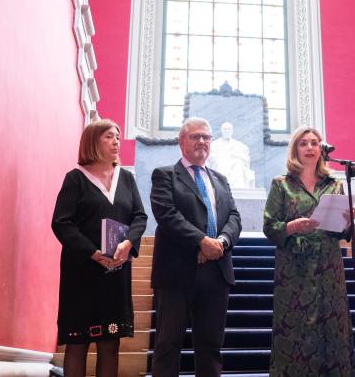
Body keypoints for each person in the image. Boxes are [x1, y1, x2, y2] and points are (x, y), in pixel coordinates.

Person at [51, 119, 148, 377]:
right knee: (77, 343)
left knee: (110, 343)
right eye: (109, 137)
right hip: (81, 271)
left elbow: (140, 216)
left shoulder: (126, 178)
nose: (116, 141)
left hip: (115, 272)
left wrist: (129, 243)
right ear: (93, 141)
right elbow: (62, 223)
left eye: (117, 137)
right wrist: (92, 252)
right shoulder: (76, 179)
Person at [149, 117, 243, 376]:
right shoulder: (165, 175)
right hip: (176, 273)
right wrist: (201, 241)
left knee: (211, 347)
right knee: (168, 345)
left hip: (216, 272)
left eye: (206, 137)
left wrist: (220, 243)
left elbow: (234, 217)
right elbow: (167, 215)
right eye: (195, 136)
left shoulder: (221, 179)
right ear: (181, 142)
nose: (202, 141)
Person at [263, 126, 355, 377]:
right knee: (297, 328)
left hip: (329, 266)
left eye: (315, 143)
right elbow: (269, 227)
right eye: (304, 143)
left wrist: (348, 222)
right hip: (295, 268)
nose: (310, 148)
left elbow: (342, 232)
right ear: (295, 149)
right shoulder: (281, 184)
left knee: (332, 326)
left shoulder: (334, 184)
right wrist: (291, 226)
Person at [208, 121, 256, 188]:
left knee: (238, 163)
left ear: (232, 131)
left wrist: (236, 156)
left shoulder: (239, 145)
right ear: (221, 131)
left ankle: (239, 187)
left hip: (235, 166)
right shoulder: (214, 145)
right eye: (225, 129)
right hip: (220, 164)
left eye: (229, 129)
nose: (227, 131)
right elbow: (210, 157)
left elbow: (245, 158)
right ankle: (222, 186)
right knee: (220, 162)